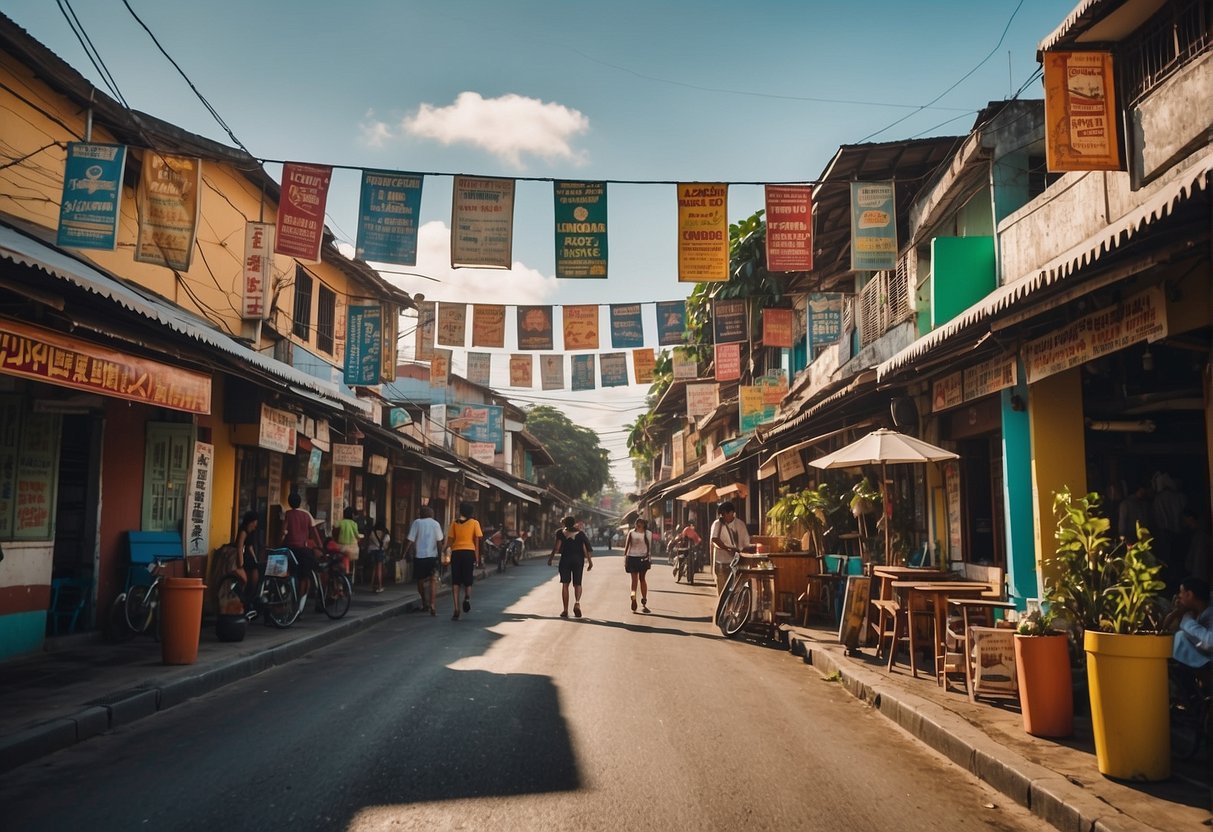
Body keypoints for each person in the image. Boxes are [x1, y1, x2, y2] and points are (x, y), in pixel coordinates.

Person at [282, 493, 323, 608]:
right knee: (304, 576)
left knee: (288, 572)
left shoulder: (288, 514)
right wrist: (320, 547)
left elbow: (283, 532)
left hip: (289, 549)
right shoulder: (307, 515)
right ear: (300, 502)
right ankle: (299, 604)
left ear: (289, 502)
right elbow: (315, 534)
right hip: (302, 550)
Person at [548, 514, 593, 618]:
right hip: (578, 560)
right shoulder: (581, 534)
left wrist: (550, 559)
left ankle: (565, 610)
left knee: (565, 584)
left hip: (565, 560)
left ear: (564, 523)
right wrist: (590, 562)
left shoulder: (560, 533)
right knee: (577, 583)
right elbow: (585, 548)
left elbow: (557, 547)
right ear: (574, 523)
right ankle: (577, 603)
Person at [1164, 576, 1213, 670]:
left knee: (1180, 636)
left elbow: (1210, 642)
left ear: (1189, 595)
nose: (1179, 596)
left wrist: (1187, 620)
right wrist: (1176, 612)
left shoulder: (1210, 613)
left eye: (1181, 592)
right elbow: (1165, 627)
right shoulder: (1193, 610)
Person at [447, 501, 482, 620]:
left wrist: (445, 550)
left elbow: (450, 541)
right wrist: (477, 557)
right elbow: (477, 541)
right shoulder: (474, 523)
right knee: (468, 579)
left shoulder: (454, 524)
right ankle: (467, 597)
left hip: (456, 553)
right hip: (469, 552)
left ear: (460, 511)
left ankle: (456, 608)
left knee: (455, 581)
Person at [406, 506, 443, 614]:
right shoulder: (436, 524)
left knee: (420, 580)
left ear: (421, 514)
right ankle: (432, 604)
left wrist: (405, 553)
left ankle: (424, 601)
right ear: (431, 514)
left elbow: (410, 540)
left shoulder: (417, 523)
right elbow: (439, 542)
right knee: (433, 581)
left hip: (420, 557)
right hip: (432, 556)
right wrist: (440, 556)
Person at [711, 501, 751, 596]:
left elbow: (746, 544)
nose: (723, 517)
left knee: (735, 592)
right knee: (722, 593)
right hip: (721, 562)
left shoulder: (740, 525)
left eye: (724, 514)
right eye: (721, 514)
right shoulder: (717, 524)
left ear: (732, 513)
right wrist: (727, 548)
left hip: (736, 563)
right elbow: (714, 540)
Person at [622, 517, 652, 613]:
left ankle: (633, 596)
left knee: (634, 580)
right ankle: (644, 599)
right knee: (642, 579)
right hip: (643, 559)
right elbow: (649, 548)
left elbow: (627, 547)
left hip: (632, 558)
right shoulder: (648, 534)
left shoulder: (631, 533)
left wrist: (625, 559)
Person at [234, 510, 260, 608]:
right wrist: (240, 564)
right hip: (244, 558)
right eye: (255, 521)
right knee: (245, 581)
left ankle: (249, 601)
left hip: (249, 558)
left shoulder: (251, 531)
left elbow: (250, 547)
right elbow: (240, 547)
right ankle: (244, 602)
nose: (256, 524)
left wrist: (255, 559)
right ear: (251, 521)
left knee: (254, 579)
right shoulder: (243, 531)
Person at [333, 506, 362, 579]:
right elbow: (357, 535)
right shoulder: (354, 524)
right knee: (351, 562)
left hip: (340, 547)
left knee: (339, 561)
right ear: (352, 515)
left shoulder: (339, 523)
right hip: (351, 549)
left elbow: (334, 532)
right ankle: (349, 576)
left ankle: (340, 577)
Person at [367, 520, 390, 594]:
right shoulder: (385, 533)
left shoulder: (373, 532)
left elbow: (370, 540)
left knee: (374, 568)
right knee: (379, 569)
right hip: (380, 551)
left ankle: (372, 585)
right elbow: (386, 544)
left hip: (373, 551)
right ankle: (380, 586)